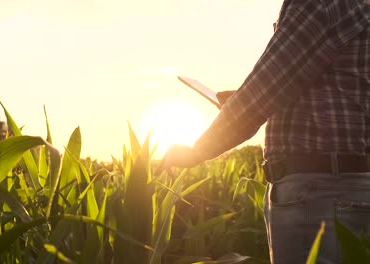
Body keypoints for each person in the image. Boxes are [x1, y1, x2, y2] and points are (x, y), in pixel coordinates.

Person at [158, 0, 370, 263]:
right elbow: (329, 87)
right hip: (340, 187)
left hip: (317, 194)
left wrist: (197, 151)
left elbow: (265, 89)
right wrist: (239, 99)